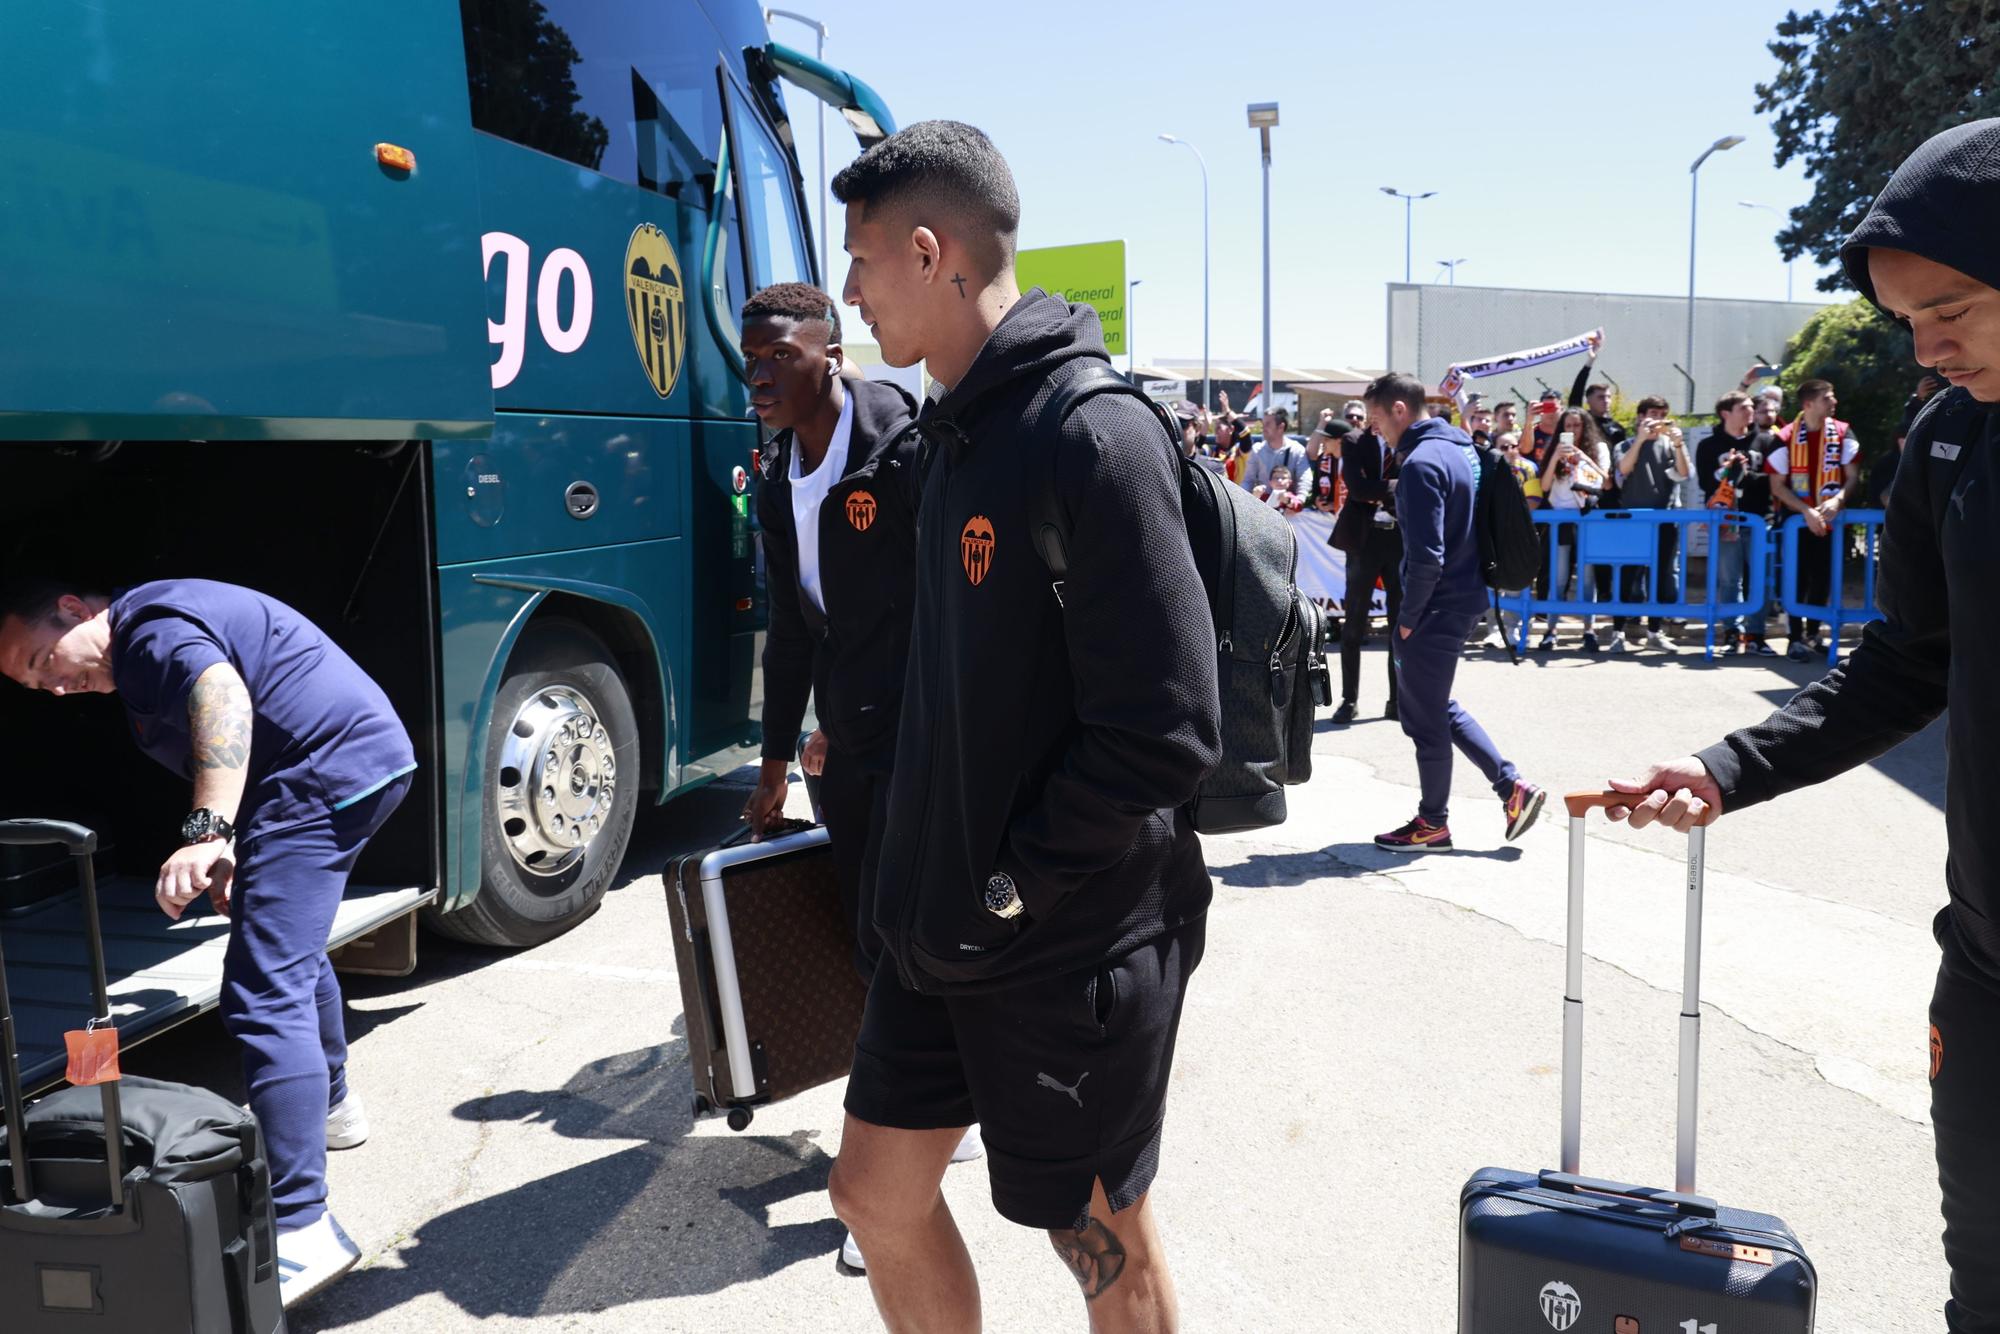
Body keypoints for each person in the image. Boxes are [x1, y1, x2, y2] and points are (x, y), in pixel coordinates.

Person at [1606, 117, 2000, 1334]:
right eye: (1903, 322)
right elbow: (1901, 663)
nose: (1923, 350)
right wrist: (1730, 765)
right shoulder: (1946, 440)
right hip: (1988, 970)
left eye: (1951, 308)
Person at [828, 119, 1221, 1334]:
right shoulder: (944, 434)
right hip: (936, 931)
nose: (847, 289)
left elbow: (1164, 731)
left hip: (1064, 935)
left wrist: (1003, 890)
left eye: (861, 257)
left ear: (933, 249)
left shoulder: (1090, 434)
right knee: (872, 1191)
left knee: (1099, 1239)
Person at [0, 578, 416, 1306]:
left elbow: (222, 697)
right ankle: (332, 1108)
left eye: (42, 658)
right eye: (35, 685)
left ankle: (302, 1224)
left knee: (261, 990)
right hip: (332, 769)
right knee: (280, 944)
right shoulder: (143, 647)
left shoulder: (150, 630)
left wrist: (209, 831)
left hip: (323, 772)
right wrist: (242, 847)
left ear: (72, 607)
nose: (54, 687)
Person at [734, 283, 985, 1272]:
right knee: (872, 934)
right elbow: (794, 625)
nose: (758, 374)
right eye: (747, 357)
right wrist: (771, 758)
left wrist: (930, 727)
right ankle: (925, 1116)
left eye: (777, 356)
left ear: (827, 353)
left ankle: (893, 1176)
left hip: (923, 731)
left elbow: (952, 604)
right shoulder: (773, 472)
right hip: (845, 737)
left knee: (904, 931)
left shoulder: (908, 446)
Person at [1362, 373, 1545, 853]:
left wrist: (1407, 619)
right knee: (1433, 704)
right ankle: (1511, 788)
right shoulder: (1461, 447)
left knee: (1423, 719)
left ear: (1400, 409)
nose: (1375, 429)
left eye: (1378, 419)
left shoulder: (1422, 463)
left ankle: (1434, 822)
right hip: (1465, 596)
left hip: (1435, 605)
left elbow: (1427, 556)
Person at [1767, 378, 1862, 660]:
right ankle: (1794, 637)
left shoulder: (1844, 432)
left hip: (1832, 519)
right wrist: (1806, 511)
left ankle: (1813, 633)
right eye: (1827, 398)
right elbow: (1777, 485)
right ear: (1809, 404)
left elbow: (1854, 476)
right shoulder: (1783, 437)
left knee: (1823, 578)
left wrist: (1837, 499)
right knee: (1796, 579)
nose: (1834, 402)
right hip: (1797, 521)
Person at [1330, 411, 1403, 724]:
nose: (1376, 419)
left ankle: (1397, 700)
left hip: (1399, 539)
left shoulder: (1407, 442)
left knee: (1399, 623)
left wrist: (1381, 490)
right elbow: (1357, 488)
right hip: (1364, 539)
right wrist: (1393, 489)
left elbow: (1414, 484)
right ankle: (1349, 699)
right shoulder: (1355, 441)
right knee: (1354, 622)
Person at [1694, 391, 1778, 656]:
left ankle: (1757, 633)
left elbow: (1773, 480)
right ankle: (1732, 631)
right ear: (1725, 413)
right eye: (1744, 407)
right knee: (1729, 579)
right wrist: (1726, 471)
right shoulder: (1709, 445)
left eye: (1752, 406)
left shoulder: (1767, 440)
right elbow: (1705, 483)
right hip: (1725, 521)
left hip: (1759, 518)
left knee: (1761, 579)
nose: (1750, 411)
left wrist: (1746, 474)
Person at [1608, 395, 1694, 653]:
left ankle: (1655, 631)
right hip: (1631, 521)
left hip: (1665, 520)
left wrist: (1679, 444)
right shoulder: (1626, 444)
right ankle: (1618, 632)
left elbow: (1684, 473)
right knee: (1626, 576)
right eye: (1652, 414)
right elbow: (1623, 469)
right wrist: (1642, 440)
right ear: (1640, 416)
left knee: (1661, 576)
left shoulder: (1670, 444)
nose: (1657, 419)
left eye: (1661, 414)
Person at [1536, 406, 1613, 652]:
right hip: (1561, 518)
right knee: (1559, 577)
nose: (1572, 430)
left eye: (1577, 425)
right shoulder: (1555, 447)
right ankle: (1551, 630)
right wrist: (1556, 458)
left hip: (1587, 516)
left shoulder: (1598, 448)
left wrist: (1584, 458)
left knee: (1587, 578)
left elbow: (1607, 482)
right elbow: (1545, 487)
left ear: (1586, 426)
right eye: (1567, 426)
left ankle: (1588, 631)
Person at [1242, 407, 1310, 497]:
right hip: (1263, 505)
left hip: (1287, 505)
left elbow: (1304, 479)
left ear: (1281, 427)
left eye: (1268, 424)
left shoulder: (1297, 450)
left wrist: (1298, 501)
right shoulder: (1257, 450)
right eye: (1263, 423)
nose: (1263, 428)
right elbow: (1248, 480)